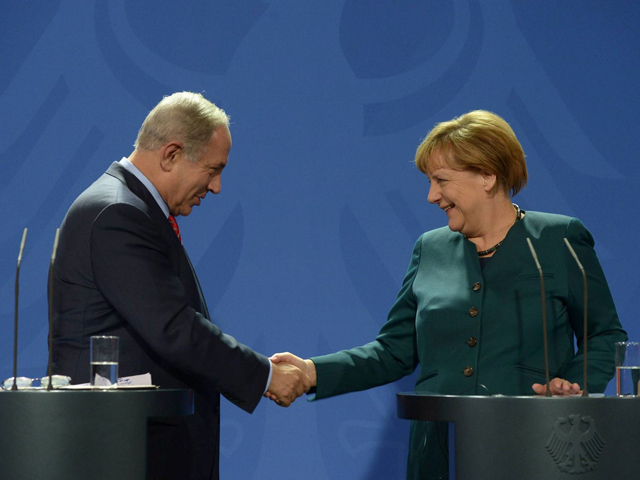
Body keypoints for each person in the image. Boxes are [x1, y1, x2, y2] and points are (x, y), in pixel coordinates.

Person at [270, 110, 627, 479]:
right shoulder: (430, 248)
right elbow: (394, 351)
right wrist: (312, 372)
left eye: (441, 180)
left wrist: (572, 385)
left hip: (534, 444)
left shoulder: (559, 238)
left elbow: (604, 334)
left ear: (488, 176)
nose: (430, 196)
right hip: (436, 452)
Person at [51, 92, 310, 480]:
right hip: (124, 450)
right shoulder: (117, 213)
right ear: (171, 154)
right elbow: (173, 327)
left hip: (144, 445)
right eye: (213, 169)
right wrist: (266, 376)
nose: (217, 186)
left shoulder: (131, 209)